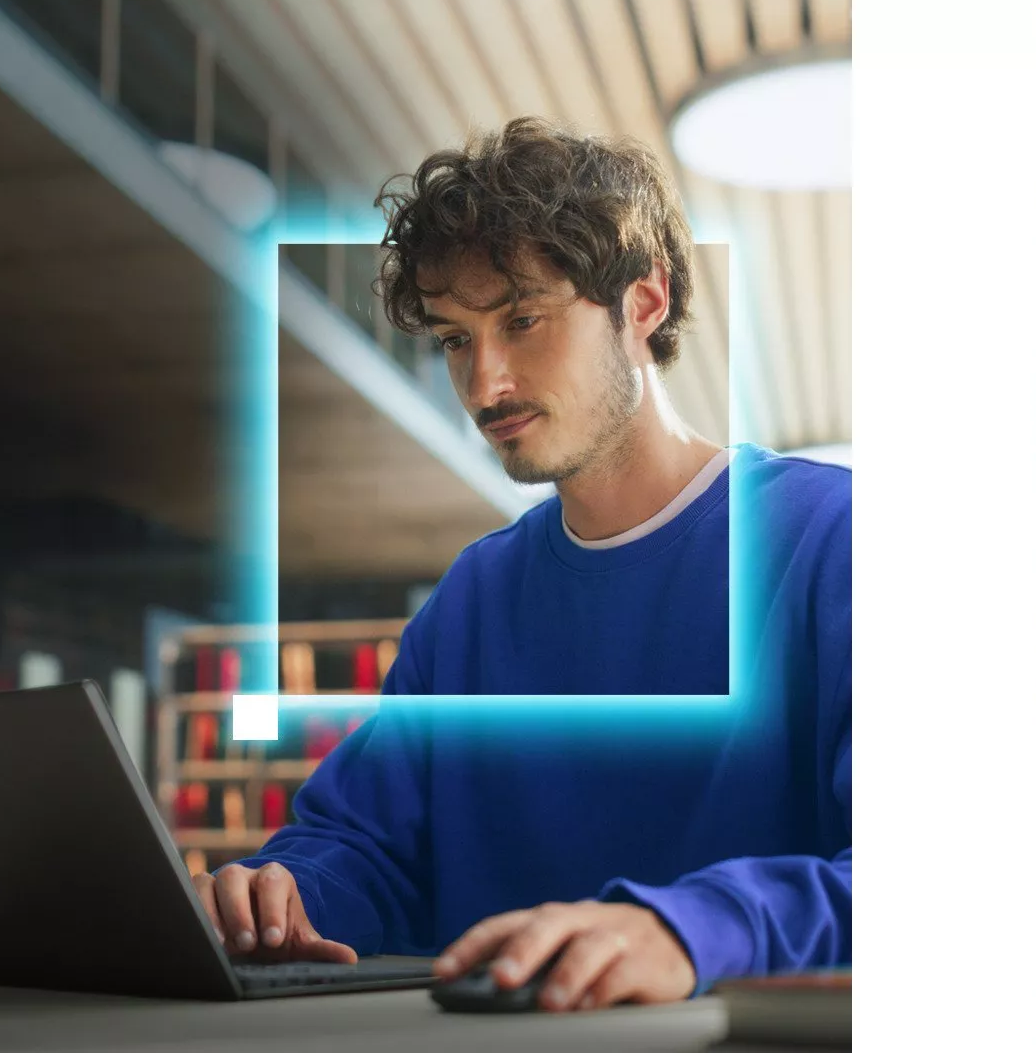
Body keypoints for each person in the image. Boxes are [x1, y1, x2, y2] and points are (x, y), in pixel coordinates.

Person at [189, 119, 850, 1011]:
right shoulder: (471, 599)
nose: (483, 384)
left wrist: (690, 930)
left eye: (522, 321)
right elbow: (367, 848)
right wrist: (282, 898)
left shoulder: (836, 540)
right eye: (456, 339)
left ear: (643, 304)